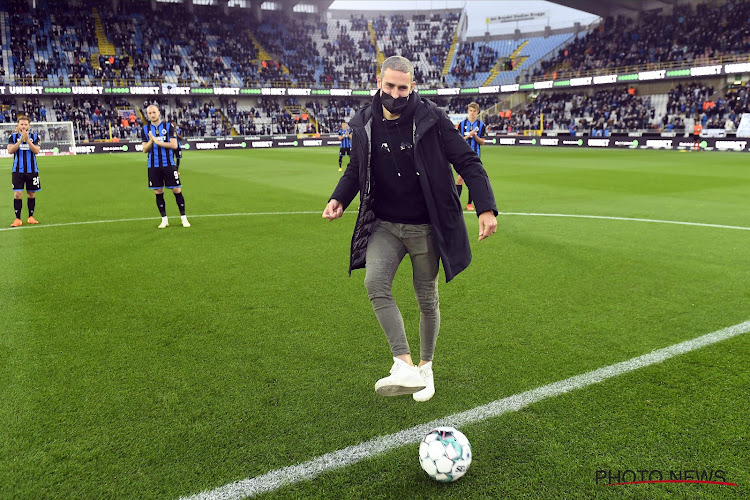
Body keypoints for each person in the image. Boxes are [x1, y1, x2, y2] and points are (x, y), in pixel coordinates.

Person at [322, 56, 498, 402]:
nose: (396, 93)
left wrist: (486, 207)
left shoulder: (431, 119)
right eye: (390, 86)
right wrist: (339, 198)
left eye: (403, 88)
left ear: (412, 86)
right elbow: (356, 167)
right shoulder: (366, 122)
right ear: (379, 81)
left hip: (426, 227)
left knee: (426, 300)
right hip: (384, 224)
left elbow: (468, 161)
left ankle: (425, 366)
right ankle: (403, 364)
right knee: (374, 282)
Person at [141, 104, 190, 228]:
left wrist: (157, 141)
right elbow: (144, 149)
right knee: (158, 192)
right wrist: (151, 141)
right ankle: (164, 219)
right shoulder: (145, 129)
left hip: (168, 164)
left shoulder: (169, 127)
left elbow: (174, 145)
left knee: (177, 190)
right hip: (153, 165)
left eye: (154, 112)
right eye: (149, 113)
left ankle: (184, 218)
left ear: (159, 112)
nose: (152, 115)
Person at [8, 115, 41, 227]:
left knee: (31, 193)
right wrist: (20, 141)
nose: (23, 126)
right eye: (21, 124)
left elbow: (36, 150)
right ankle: (18, 219)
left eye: (25, 124)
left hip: (32, 170)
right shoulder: (12, 137)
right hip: (17, 170)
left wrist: (27, 140)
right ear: (18, 125)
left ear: (29, 126)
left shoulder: (35, 136)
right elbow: (10, 151)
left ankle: (30, 217)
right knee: (18, 193)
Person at [455, 102, 486, 211]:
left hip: (475, 156)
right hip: (462, 156)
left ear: (477, 112)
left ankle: (469, 203)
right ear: (468, 111)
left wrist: (475, 136)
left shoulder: (481, 125)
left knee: (472, 180)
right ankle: (456, 202)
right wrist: (469, 135)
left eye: (474, 111)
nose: (472, 113)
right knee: (459, 179)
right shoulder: (462, 124)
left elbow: (482, 142)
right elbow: (458, 140)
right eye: (470, 111)